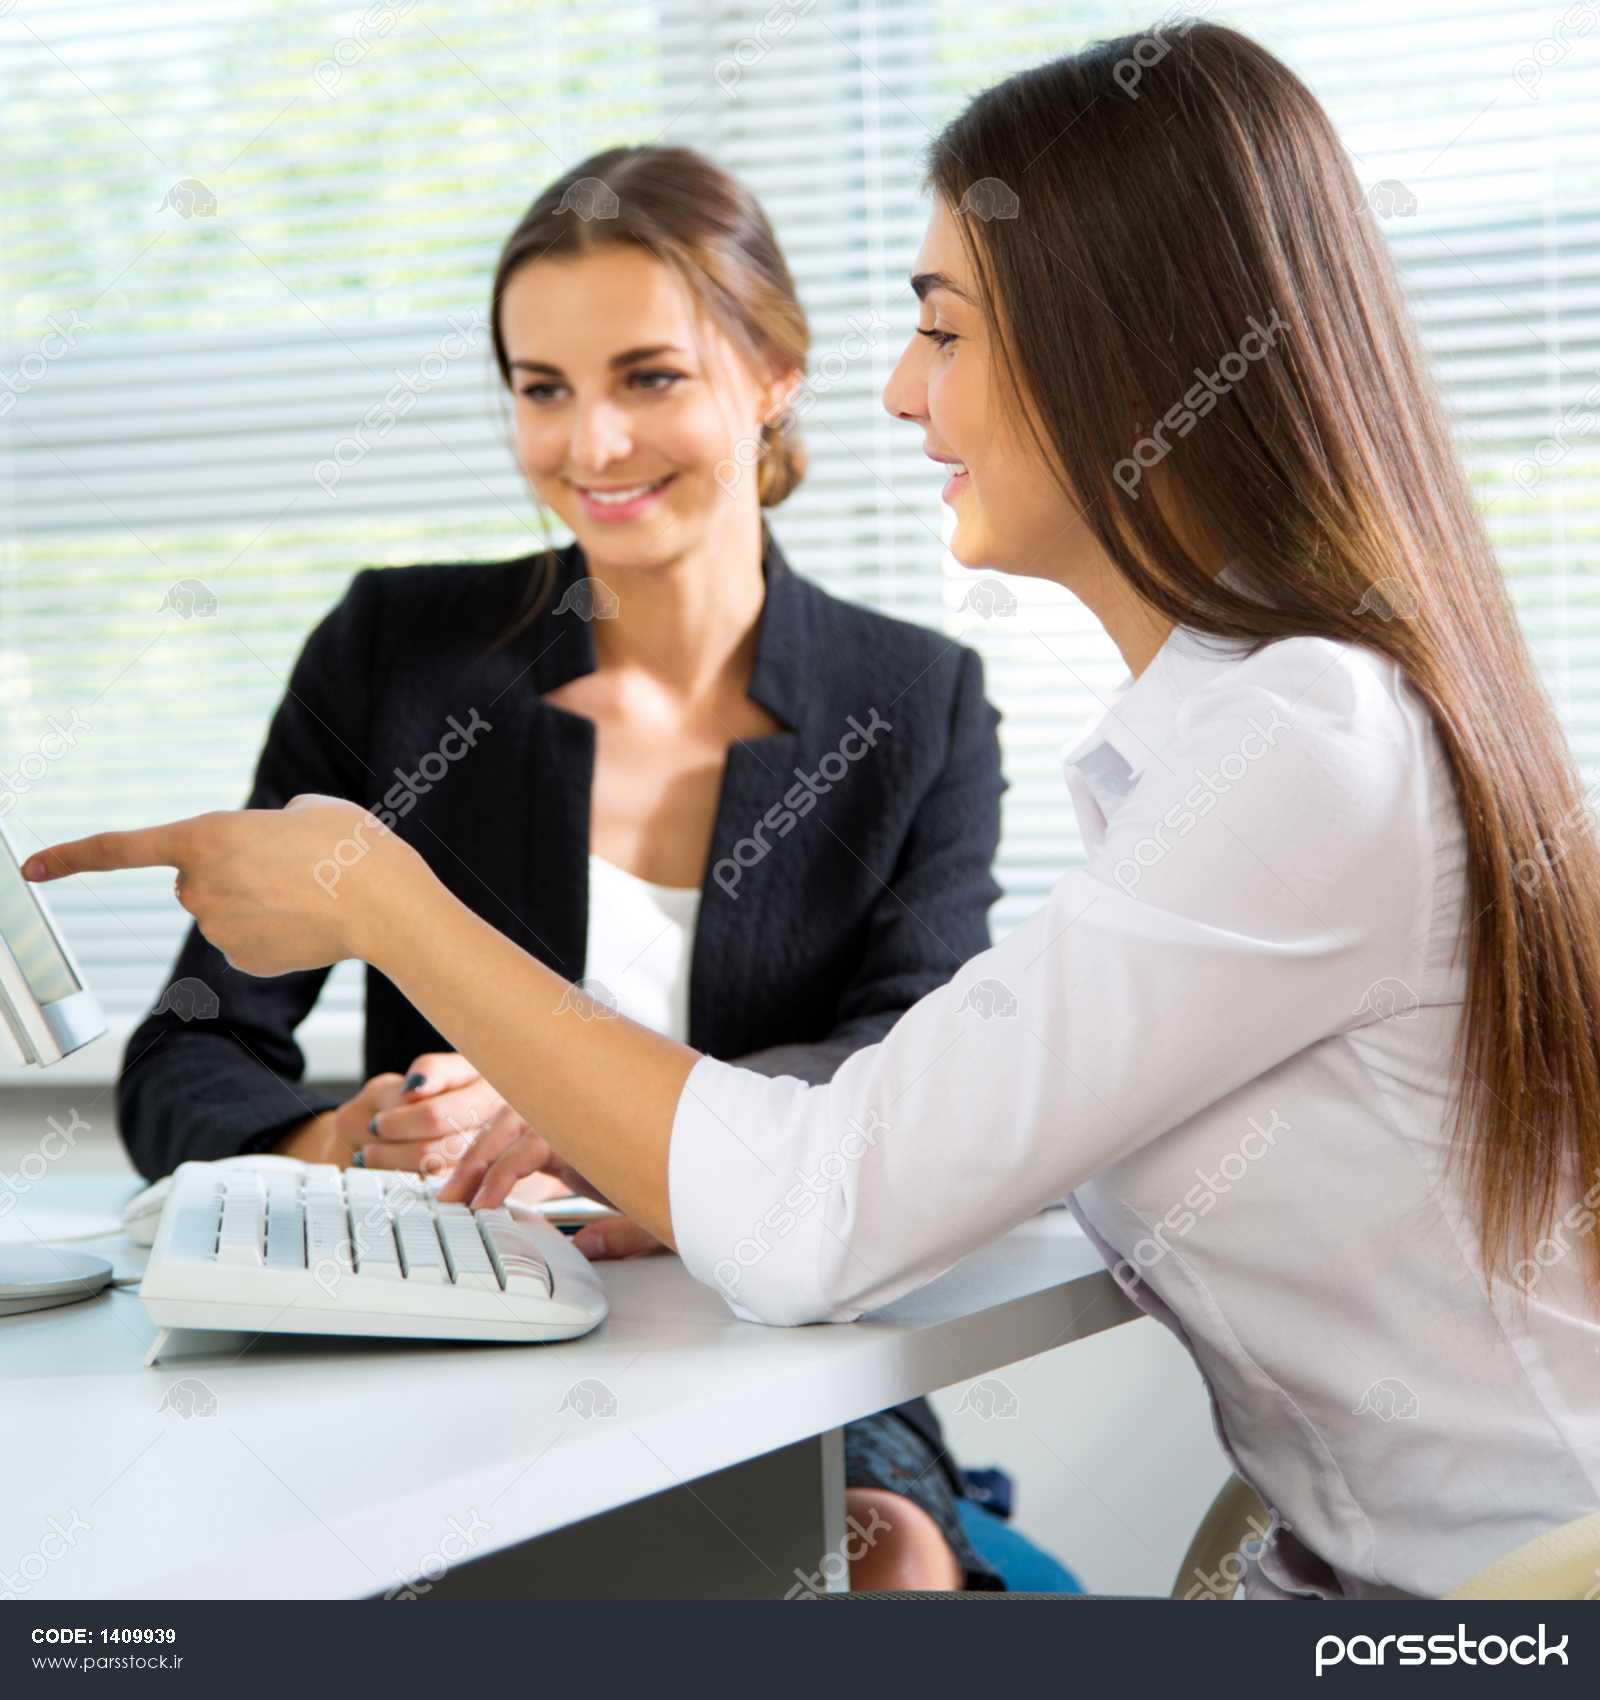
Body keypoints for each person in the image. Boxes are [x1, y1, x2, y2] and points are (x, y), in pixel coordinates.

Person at [32, 22, 1600, 1599]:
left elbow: (824, 1200)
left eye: (945, 331)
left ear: (1127, 351)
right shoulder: (1235, 739)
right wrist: (514, 1145)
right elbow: (949, 1123)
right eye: (540, 388)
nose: (906, 392)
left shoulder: (1286, 749)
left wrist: (385, 901)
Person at [108, 143, 1049, 1593]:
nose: (591, 444)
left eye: (648, 377)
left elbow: (906, 1064)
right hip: (447, 1325)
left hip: (769, 1322)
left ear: (774, 374)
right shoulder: (394, 655)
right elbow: (189, 1051)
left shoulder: (914, 701)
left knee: (880, 1558)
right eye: (542, 389)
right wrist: (346, 1142)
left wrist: (603, 1123)